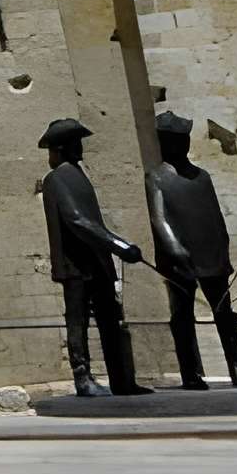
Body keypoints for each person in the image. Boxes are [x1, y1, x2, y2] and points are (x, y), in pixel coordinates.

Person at [146, 111, 237, 390]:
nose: (182, 145)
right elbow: (159, 219)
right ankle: (190, 372)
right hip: (179, 257)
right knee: (182, 315)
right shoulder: (156, 177)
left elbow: (215, 217)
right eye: (175, 140)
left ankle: (236, 364)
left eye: (183, 139)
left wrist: (223, 250)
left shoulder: (201, 177)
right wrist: (174, 248)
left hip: (210, 254)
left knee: (225, 312)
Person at [39, 117, 148, 396]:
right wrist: (120, 246)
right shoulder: (57, 178)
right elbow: (77, 220)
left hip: (96, 261)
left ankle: (122, 379)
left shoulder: (77, 175)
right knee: (77, 320)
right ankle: (82, 376)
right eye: (76, 143)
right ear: (63, 147)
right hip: (75, 264)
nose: (81, 148)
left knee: (110, 318)